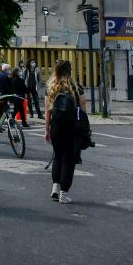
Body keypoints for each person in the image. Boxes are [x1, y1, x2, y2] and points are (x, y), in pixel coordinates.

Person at [46, 59, 83, 204]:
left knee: (57, 156)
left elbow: (48, 110)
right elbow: (83, 107)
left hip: (56, 126)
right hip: (71, 127)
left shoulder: (52, 87)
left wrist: (46, 129)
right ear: (70, 71)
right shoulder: (75, 87)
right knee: (69, 159)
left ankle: (55, 187)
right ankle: (64, 193)